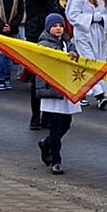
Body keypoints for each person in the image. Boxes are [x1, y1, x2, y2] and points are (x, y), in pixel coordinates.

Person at [24, 0, 70, 130]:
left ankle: (48, 116)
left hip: (54, 39)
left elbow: (57, 10)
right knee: (38, 80)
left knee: (52, 80)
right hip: (37, 39)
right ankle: (35, 116)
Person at [35, 13, 79, 175]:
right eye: (54, 26)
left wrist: (74, 56)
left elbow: (75, 58)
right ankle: (56, 160)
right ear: (48, 28)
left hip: (66, 88)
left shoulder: (67, 42)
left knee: (66, 123)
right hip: (53, 89)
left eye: (60, 25)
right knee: (55, 125)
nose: (58, 28)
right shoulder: (44, 45)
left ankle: (46, 143)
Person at [66, 0, 107, 110]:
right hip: (84, 34)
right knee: (89, 62)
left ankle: (85, 93)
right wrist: (91, 18)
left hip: (99, 34)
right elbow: (72, 15)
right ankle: (99, 94)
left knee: (99, 63)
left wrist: (102, 19)